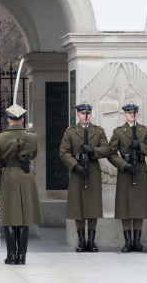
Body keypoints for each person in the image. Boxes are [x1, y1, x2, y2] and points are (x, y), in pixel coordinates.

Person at [0, 104, 43, 265]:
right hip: (26, 177)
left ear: (8, 120)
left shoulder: (0, 138)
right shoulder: (32, 136)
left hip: (9, 177)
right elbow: (33, 155)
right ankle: (22, 256)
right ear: (23, 119)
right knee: (25, 218)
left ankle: (11, 255)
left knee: (10, 217)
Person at [59, 102, 110, 252]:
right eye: (82, 113)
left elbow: (107, 149)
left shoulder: (98, 131)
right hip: (77, 173)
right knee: (78, 207)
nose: (85, 116)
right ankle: (81, 241)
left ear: (91, 115)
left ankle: (92, 241)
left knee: (93, 207)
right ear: (78, 115)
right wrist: (76, 166)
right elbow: (63, 152)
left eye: (88, 114)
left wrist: (93, 150)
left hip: (93, 171)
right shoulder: (70, 132)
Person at [107, 103, 147, 253]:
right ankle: (128, 241)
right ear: (125, 115)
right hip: (126, 171)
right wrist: (123, 165)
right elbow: (111, 153)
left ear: (138, 115)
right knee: (125, 207)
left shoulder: (144, 130)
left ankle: (138, 241)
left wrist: (140, 146)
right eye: (129, 113)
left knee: (139, 207)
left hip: (140, 170)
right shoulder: (119, 132)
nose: (132, 115)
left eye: (134, 113)